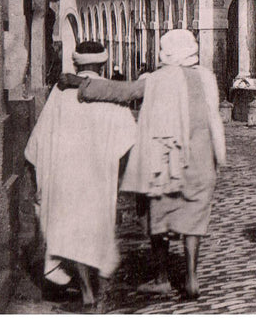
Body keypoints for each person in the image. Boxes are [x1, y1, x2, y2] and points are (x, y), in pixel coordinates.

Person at [78, 29, 226, 302]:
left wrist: (82, 85)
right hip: (202, 161)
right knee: (193, 221)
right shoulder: (207, 78)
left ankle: (162, 279)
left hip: (166, 163)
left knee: (159, 217)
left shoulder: (157, 79)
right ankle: (192, 277)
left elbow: (122, 92)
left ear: (167, 51)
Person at [24, 40, 137, 310]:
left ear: (76, 64)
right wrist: (121, 180)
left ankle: (86, 287)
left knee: (74, 231)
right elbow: (128, 140)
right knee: (94, 230)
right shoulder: (110, 92)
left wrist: (41, 177)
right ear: (103, 64)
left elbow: (39, 140)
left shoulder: (60, 92)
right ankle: (91, 287)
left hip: (65, 175)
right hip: (99, 175)